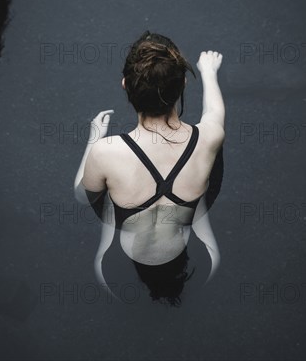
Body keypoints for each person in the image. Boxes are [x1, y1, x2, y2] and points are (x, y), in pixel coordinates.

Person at [73, 31, 224, 304]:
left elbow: (83, 196)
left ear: (124, 85)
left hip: (125, 252)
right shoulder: (209, 138)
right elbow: (214, 113)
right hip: (184, 242)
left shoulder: (106, 151)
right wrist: (210, 72)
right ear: (184, 85)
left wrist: (94, 137)